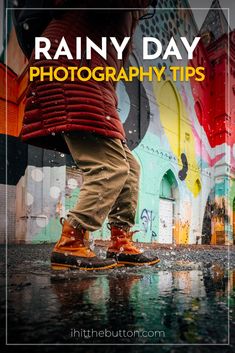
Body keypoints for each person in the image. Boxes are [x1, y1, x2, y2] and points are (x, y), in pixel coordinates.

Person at [20, 0, 160, 270]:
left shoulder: (129, 17)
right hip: (70, 70)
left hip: (92, 80)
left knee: (129, 166)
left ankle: (120, 242)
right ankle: (71, 241)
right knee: (110, 166)